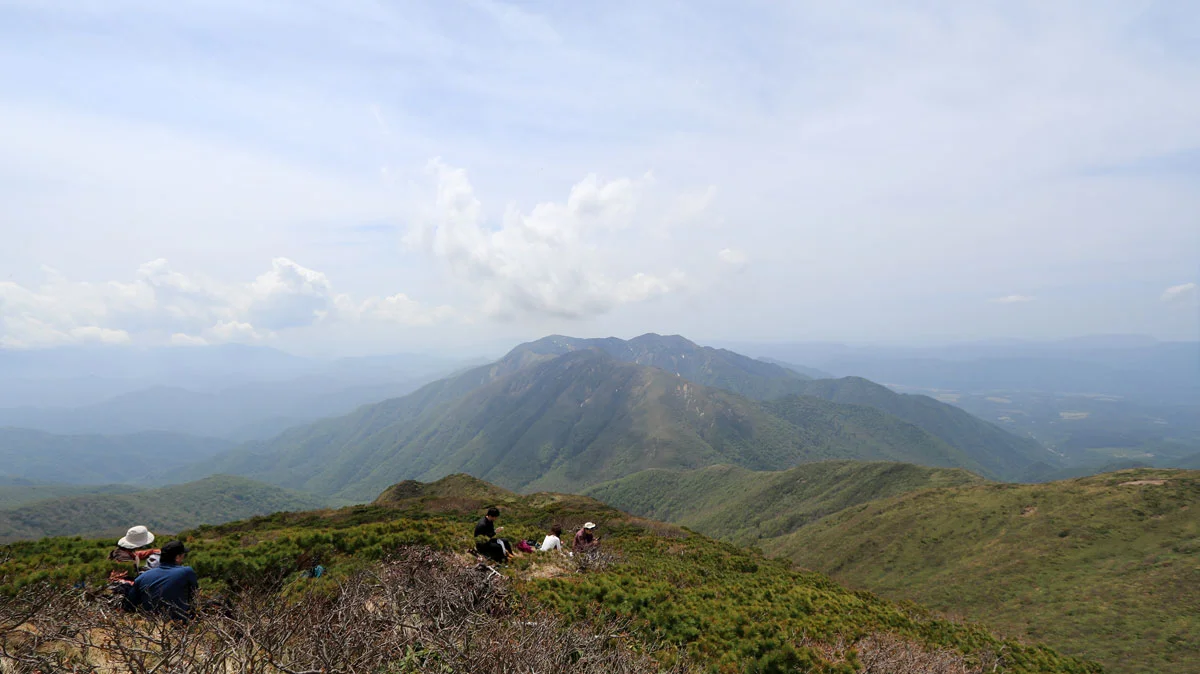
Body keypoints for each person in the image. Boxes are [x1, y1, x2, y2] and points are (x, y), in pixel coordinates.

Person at [127, 541, 199, 622]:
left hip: (150, 624)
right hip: (179, 624)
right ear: (177, 557)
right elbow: (194, 595)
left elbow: (131, 604)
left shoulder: (141, 577)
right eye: (183, 555)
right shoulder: (186, 572)